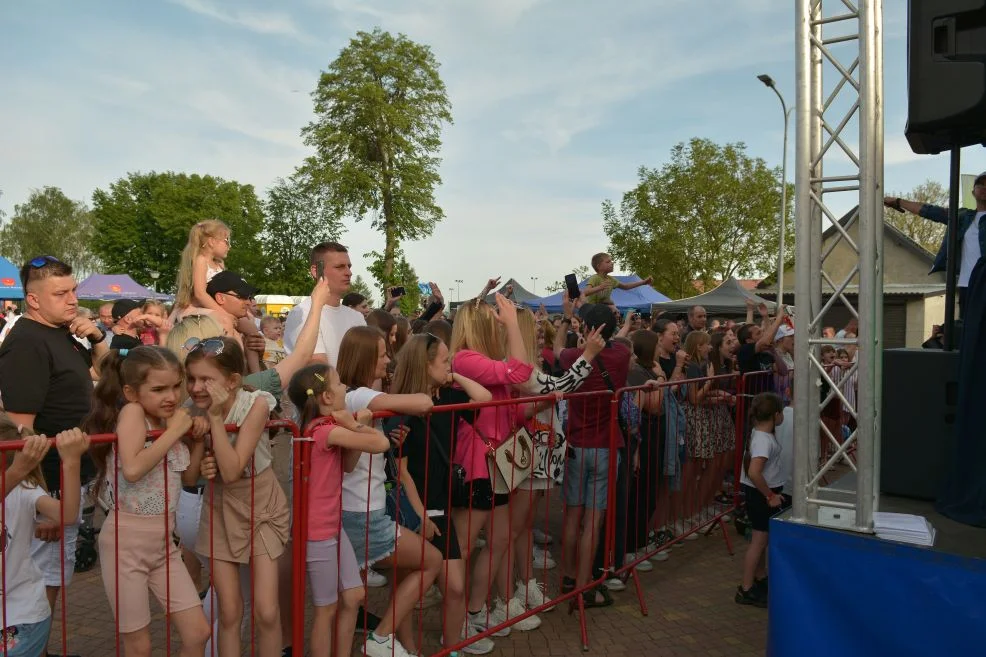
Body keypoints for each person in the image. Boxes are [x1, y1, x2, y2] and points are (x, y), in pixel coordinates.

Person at [0, 255, 108, 648]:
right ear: (32, 299)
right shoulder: (27, 342)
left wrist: (96, 338)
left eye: (74, 290)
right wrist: (42, 498)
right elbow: (18, 430)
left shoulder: (62, 333)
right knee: (39, 588)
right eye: (60, 293)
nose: (72, 299)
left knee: (50, 583)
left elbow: (107, 376)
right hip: (49, 482)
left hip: (65, 476)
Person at [84, 346, 213, 656]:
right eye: (158, 389)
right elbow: (132, 468)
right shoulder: (133, 412)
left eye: (174, 386)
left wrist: (196, 441)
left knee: (198, 632)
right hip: (125, 545)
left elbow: (189, 479)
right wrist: (176, 431)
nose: (170, 396)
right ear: (131, 392)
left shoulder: (168, 420)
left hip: (164, 545)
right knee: (138, 645)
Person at [385, 334, 497, 654]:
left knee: (455, 586)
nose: (450, 365)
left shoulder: (447, 395)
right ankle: (406, 646)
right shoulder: (404, 404)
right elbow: (401, 470)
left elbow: (484, 398)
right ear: (425, 364)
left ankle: (451, 644)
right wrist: (420, 516)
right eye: (445, 360)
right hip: (411, 508)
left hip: (441, 504)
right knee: (407, 585)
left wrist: (455, 375)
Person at [335, 326, 439, 657]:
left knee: (350, 599)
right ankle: (380, 639)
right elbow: (422, 402)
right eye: (381, 355)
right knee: (430, 560)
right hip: (364, 513)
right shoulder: (359, 396)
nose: (387, 360)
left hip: (354, 509)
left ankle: (387, 643)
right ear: (365, 359)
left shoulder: (348, 395)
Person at [186, 337, 289, 657]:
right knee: (229, 611)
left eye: (206, 379)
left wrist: (215, 421)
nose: (196, 387)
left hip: (261, 504)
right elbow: (189, 478)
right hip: (220, 507)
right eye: (191, 378)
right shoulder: (193, 411)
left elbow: (232, 470)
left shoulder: (257, 404)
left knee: (267, 610)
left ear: (232, 381)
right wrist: (201, 449)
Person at [287, 364, 391, 657]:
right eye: (340, 383)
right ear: (327, 397)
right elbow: (381, 443)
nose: (346, 387)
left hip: (331, 527)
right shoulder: (325, 431)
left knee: (354, 594)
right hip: (317, 533)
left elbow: (346, 465)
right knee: (325, 609)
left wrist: (351, 426)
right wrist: (356, 424)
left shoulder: (320, 429)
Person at [559, 304, 630, 609]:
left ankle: (568, 577)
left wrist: (566, 318)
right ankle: (585, 585)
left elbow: (557, 348)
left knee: (573, 516)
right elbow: (623, 342)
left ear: (587, 328)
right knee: (593, 520)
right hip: (605, 447)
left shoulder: (573, 358)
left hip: (577, 444)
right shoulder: (622, 356)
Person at [0, 418, 90, 657]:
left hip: (22, 613)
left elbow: (67, 515)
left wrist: (71, 462)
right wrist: (17, 470)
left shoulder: (23, 490)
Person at [885, 180, 985, 314]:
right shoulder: (963, 217)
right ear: (973, 192)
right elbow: (929, 211)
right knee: (968, 330)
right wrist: (898, 202)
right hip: (968, 285)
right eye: (981, 185)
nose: (985, 188)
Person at [736, 392, 788, 608]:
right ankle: (746, 589)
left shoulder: (761, 435)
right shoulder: (763, 440)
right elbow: (755, 472)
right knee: (758, 542)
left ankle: (760, 576)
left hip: (762, 493)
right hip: (760, 495)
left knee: (762, 540)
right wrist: (770, 495)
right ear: (775, 415)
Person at [283, 242, 366, 367]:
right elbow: (318, 370)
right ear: (316, 271)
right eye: (340, 267)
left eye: (349, 266)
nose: (349, 272)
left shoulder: (357, 317)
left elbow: (369, 366)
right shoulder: (301, 314)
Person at [173, 219, 230, 320]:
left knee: (246, 322)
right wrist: (223, 313)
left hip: (213, 307)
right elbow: (200, 294)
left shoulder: (219, 264)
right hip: (197, 309)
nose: (229, 246)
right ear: (211, 242)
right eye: (226, 241)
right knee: (226, 321)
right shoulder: (201, 261)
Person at [582, 253, 653, 311]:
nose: (612, 263)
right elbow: (585, 292)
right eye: (608, 262)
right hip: (592, 310)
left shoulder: (611, 279)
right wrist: (600, 287)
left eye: (611, 261)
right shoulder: (595, 278)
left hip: (602, 309)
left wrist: (643, 282)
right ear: (599, 266)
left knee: (615, 311)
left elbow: (626, 286)